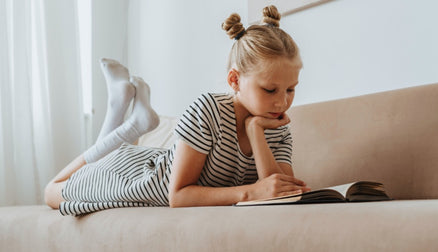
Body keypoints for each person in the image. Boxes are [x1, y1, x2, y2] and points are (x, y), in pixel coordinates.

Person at [44, 5, 310, 216]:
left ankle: (130, 118)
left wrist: (255, 131)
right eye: (270, 90)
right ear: (235, 81)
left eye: (290, 90)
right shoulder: (208, 109)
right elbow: (178, 195)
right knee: (51, 192)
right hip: (135, 177)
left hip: (157, 163)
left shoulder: (273, 126)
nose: (282, 102)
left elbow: (279, 191)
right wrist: (250, 192)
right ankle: (127, 124)